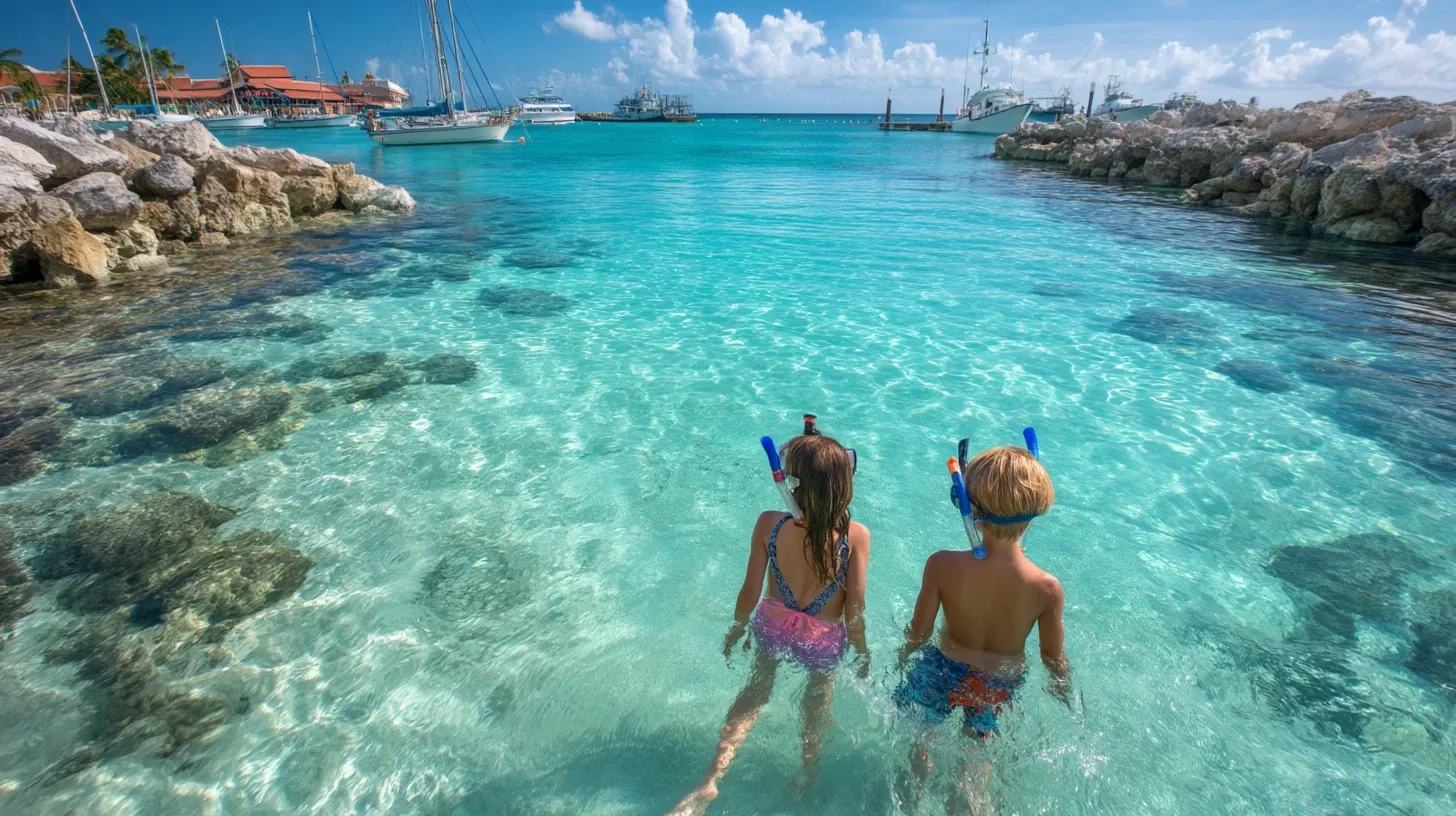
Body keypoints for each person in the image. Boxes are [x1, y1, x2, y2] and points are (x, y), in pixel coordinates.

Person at [670, 432, 870, 815]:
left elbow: (749, 590)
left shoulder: (769, 524)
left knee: (756, 691)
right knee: (815, 705)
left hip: (773, 625)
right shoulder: (855, 536)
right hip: (822, 641)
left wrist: (738, 627)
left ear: (789, 485)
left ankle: (712, 778)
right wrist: (862, 653)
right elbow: (854, 613)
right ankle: (807, 773)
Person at [894, 444, 1071, 808]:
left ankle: (910, 799)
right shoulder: (1047, 588)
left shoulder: (942, 565)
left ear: (967, 506)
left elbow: (920, 633)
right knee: (975, 759)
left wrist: (902, 655)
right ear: (1035, 512)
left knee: (921, 741)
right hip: (996, 683)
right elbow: (1054, 659)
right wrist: (1065, 692)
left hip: (941, 668)